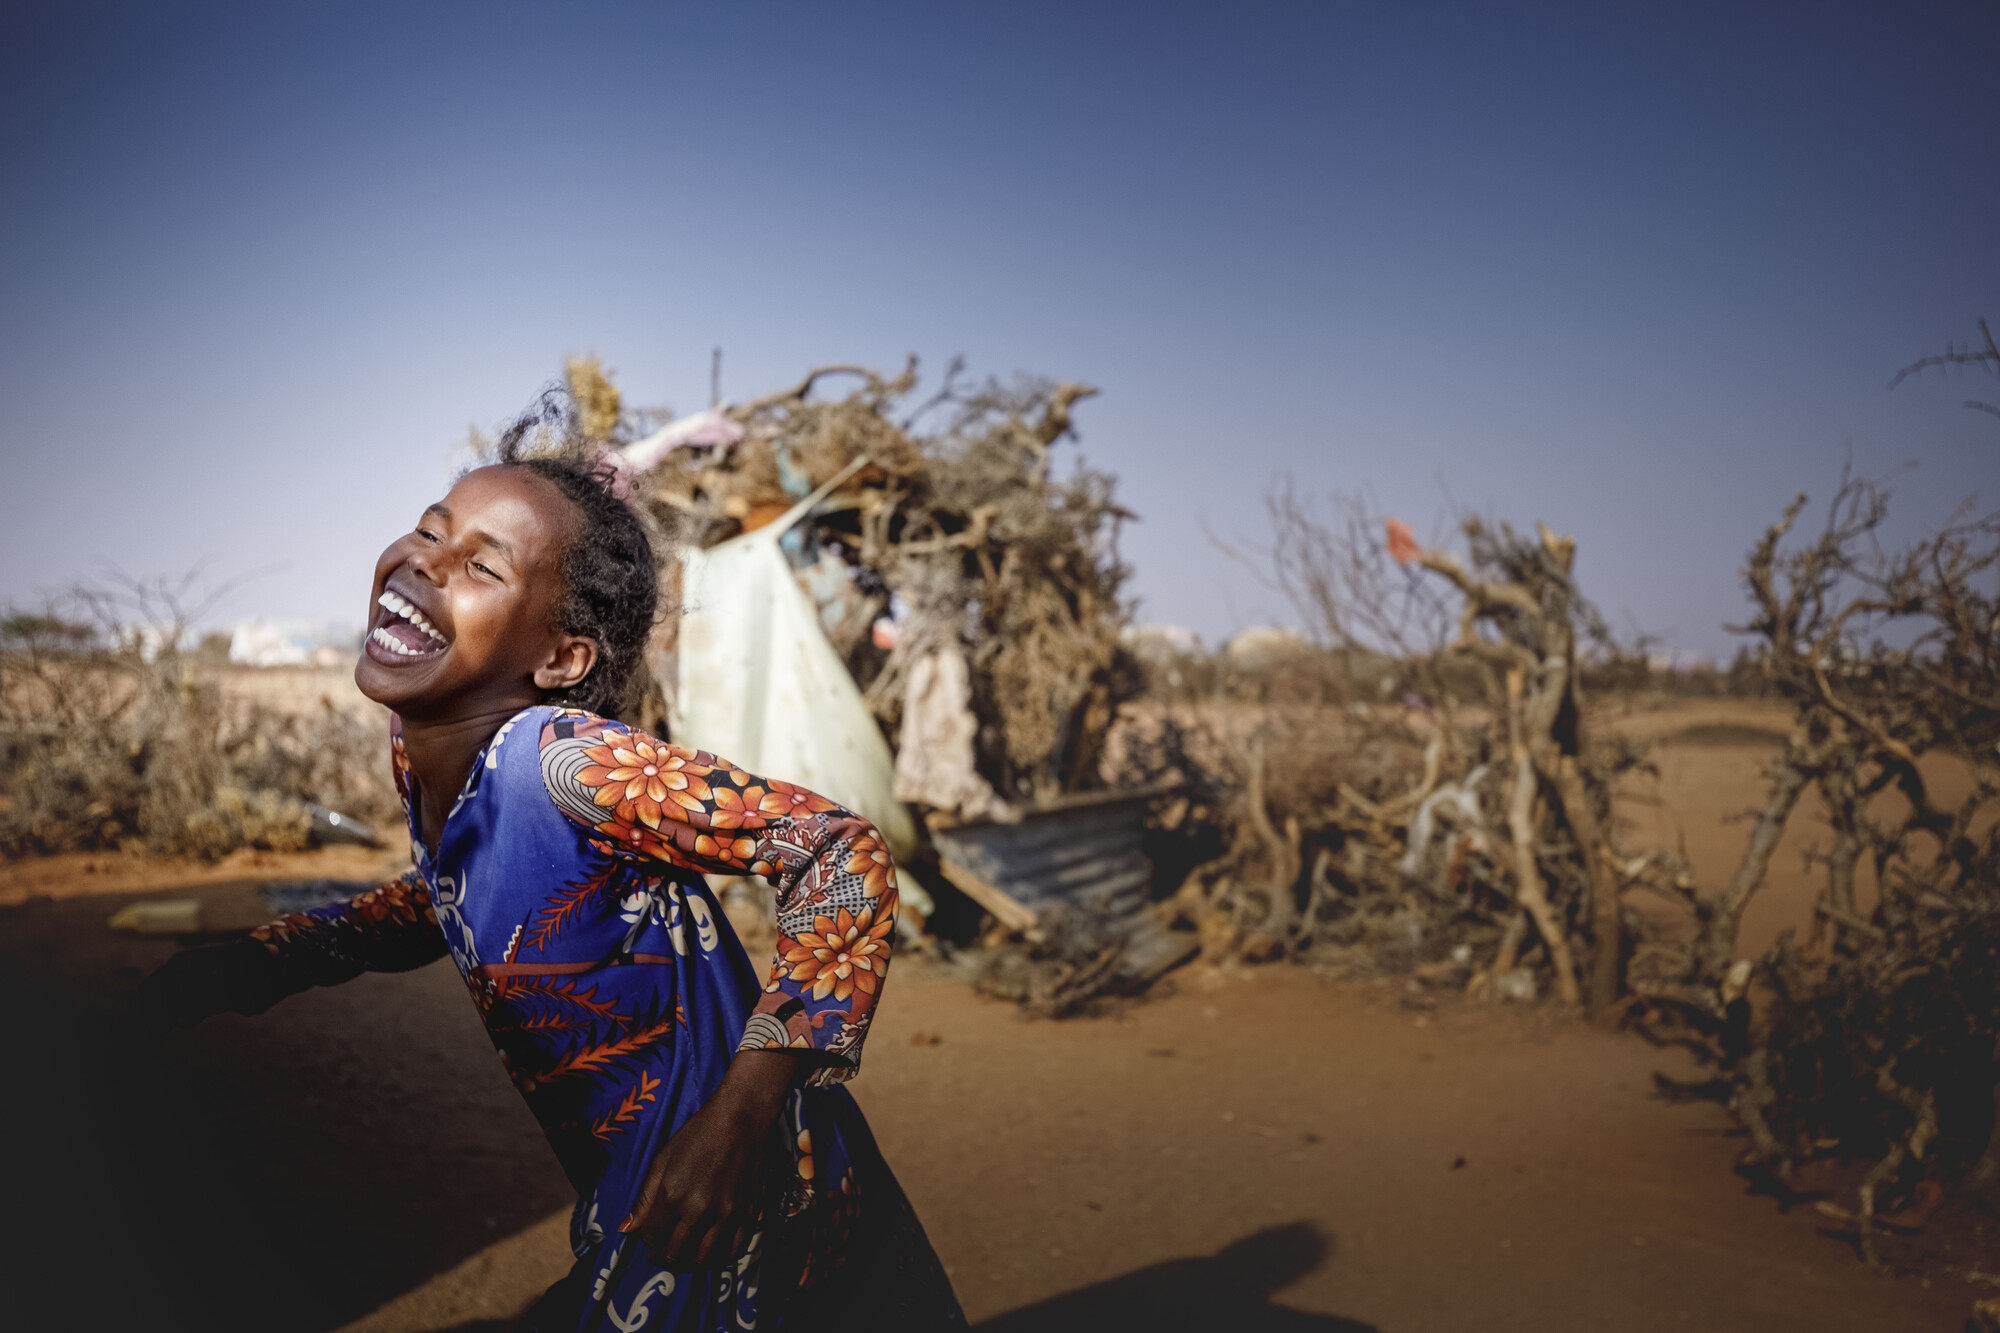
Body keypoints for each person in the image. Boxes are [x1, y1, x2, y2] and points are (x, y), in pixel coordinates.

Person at [138, 407, 963, 1332]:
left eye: (482, 567)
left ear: (562, 657)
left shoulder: (564, 760)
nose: (425, 563)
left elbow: (836, 846)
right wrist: (272, 956)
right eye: (429, 529)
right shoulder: (427, 764)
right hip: (642, 1197)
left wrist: (737, 1119)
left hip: (739, 1197)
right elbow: (455, 897)